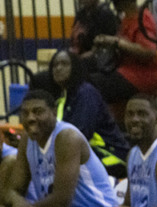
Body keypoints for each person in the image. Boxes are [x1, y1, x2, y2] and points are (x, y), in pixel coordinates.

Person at [44, 48, 130, 178]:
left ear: (75, 67)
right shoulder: (61, 98)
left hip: (108, 155)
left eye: (64, 64)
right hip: (83, 155)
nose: (58, 68)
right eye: (55, 65)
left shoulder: (86, 93)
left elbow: (81, 133)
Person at [88, 0, 157, 105]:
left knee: (93, 83)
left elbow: (148, 51)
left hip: (141, 76)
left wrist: (115, 42)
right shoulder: (126, 19)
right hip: (126, 71)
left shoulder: (143, 18)